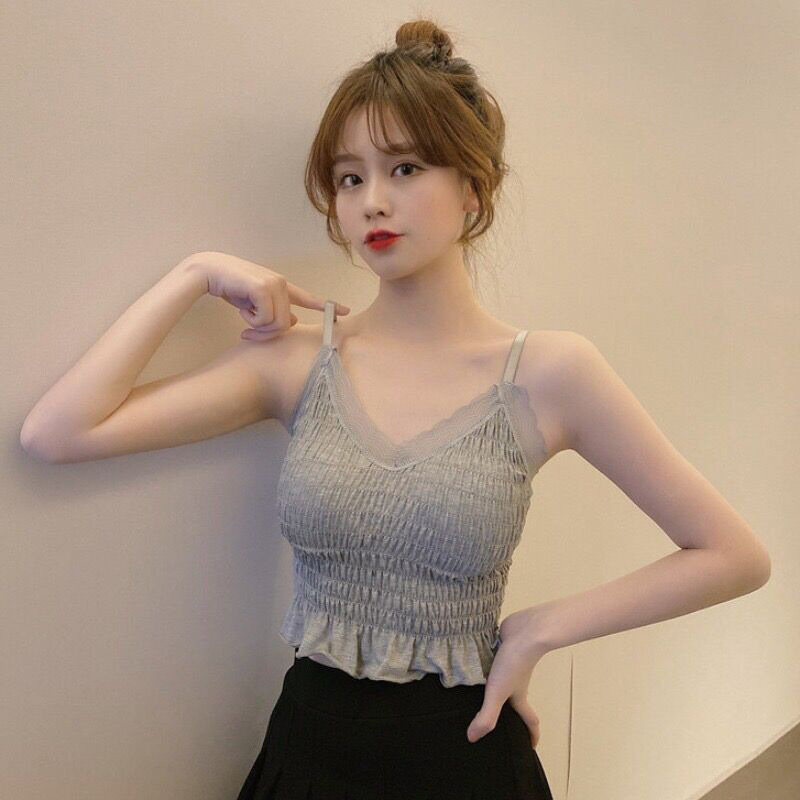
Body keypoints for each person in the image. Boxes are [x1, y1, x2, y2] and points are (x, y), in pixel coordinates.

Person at [20, 18, 771, 800]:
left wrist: (539, 630)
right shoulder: (297, 362)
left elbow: (732, 555)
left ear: (473, 189)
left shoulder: (549, 373)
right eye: (349, 179)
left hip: (469, 760)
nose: (372, 201)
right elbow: (58, 432)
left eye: (405, 168)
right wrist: (194, 275)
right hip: (309, 755)